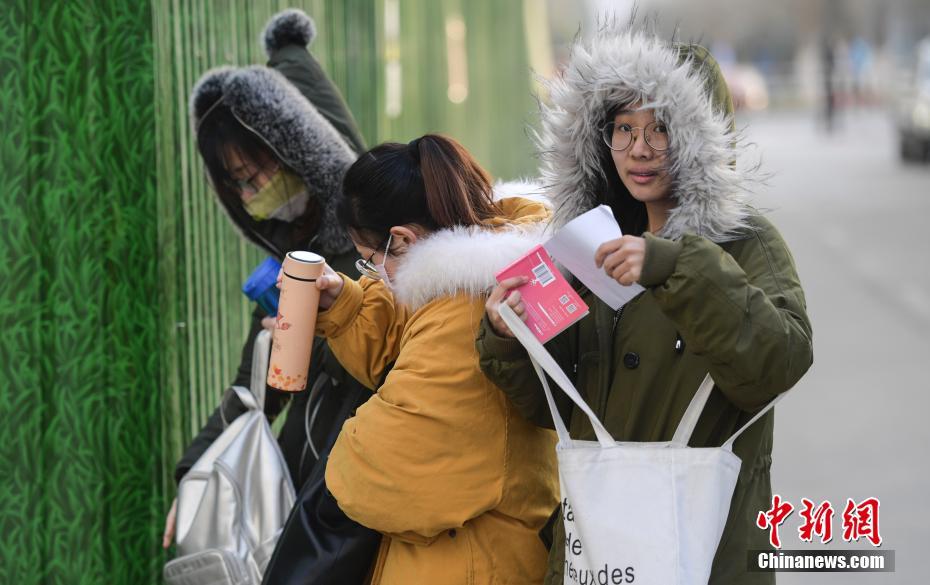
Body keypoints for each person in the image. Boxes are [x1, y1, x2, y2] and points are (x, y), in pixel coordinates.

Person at [478, 24, 813, 585]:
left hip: (707, 553)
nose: (639, 148)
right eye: (624, 129)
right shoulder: (587, 246)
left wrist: (674, 266)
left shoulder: (748, 242)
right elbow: (552, 408)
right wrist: (508, 335)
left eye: (662, 128)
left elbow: (777, 363)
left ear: (702, 136)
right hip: (598, 554)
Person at [163, 10, 381, 583]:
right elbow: (253, 389)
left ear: (300, 152)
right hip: (302, 494)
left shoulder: (381, 249)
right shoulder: (289, 268)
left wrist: (324, 333)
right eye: (239, 182)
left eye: (260, 171)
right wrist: (195, 474)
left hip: (365, 500)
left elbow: (404, 360)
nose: (255, 191)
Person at [304, 134, 560, 584]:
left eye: (369, 262)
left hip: (470, 564)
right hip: (491, 552)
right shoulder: (471, 274)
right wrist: (345, 306)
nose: (374, 277)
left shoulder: (461, 310)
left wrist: (342, 451)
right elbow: (403, 334)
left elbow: (384, 469)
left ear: (401, 238)